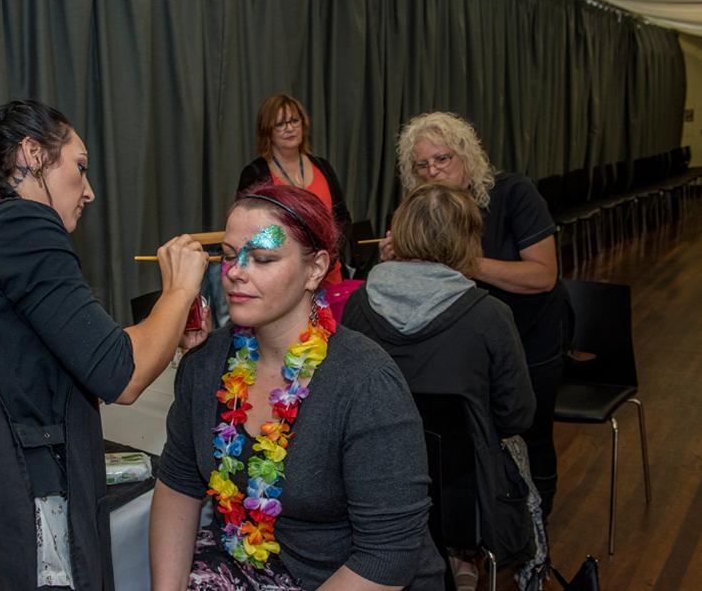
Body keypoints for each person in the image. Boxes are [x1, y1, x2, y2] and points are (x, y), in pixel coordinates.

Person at [0, 99, 208, 590]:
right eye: (79, 169)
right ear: (32, 154)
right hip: (12, 507)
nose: (89, 192)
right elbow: (120, 374)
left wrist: (164, 328)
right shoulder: (20, 225)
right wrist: (180, 289)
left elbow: (83, 350)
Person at [150, 183, 444, 591]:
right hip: (239, 564)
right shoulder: (205, 364)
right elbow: (178, 484)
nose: (236, 272)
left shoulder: (366, 383)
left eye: (263, 258)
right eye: (231, 256)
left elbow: (388, 555)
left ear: (316, 269)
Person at [342, 182, 538, 589]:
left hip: (371, 496)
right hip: (464, 503)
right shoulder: (490, 316)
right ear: (468, 241)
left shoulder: (358, 307)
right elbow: (517, 414)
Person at [382, 112, 568, 518]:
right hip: (463, 346)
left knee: (531, 435)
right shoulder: (422, 209)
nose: (433, 170)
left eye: (443, 158)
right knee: (463, 440)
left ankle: (535, 525)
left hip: (530, 336)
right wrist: (400, 262)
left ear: (466, 157)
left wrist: (465, 262)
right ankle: (476, 532)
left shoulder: (514, 193)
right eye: (422, 164)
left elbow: (544, 276)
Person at [237, 93, 352, 284]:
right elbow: (248, 228)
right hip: (282, 279)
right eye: (280, 124)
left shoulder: (323, 166)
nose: (289, 128)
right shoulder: (255, 174)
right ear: (268, 131)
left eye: (294, 121)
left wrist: (330, 253)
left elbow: (343, 219)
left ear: (303, 124)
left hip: (328, 272)